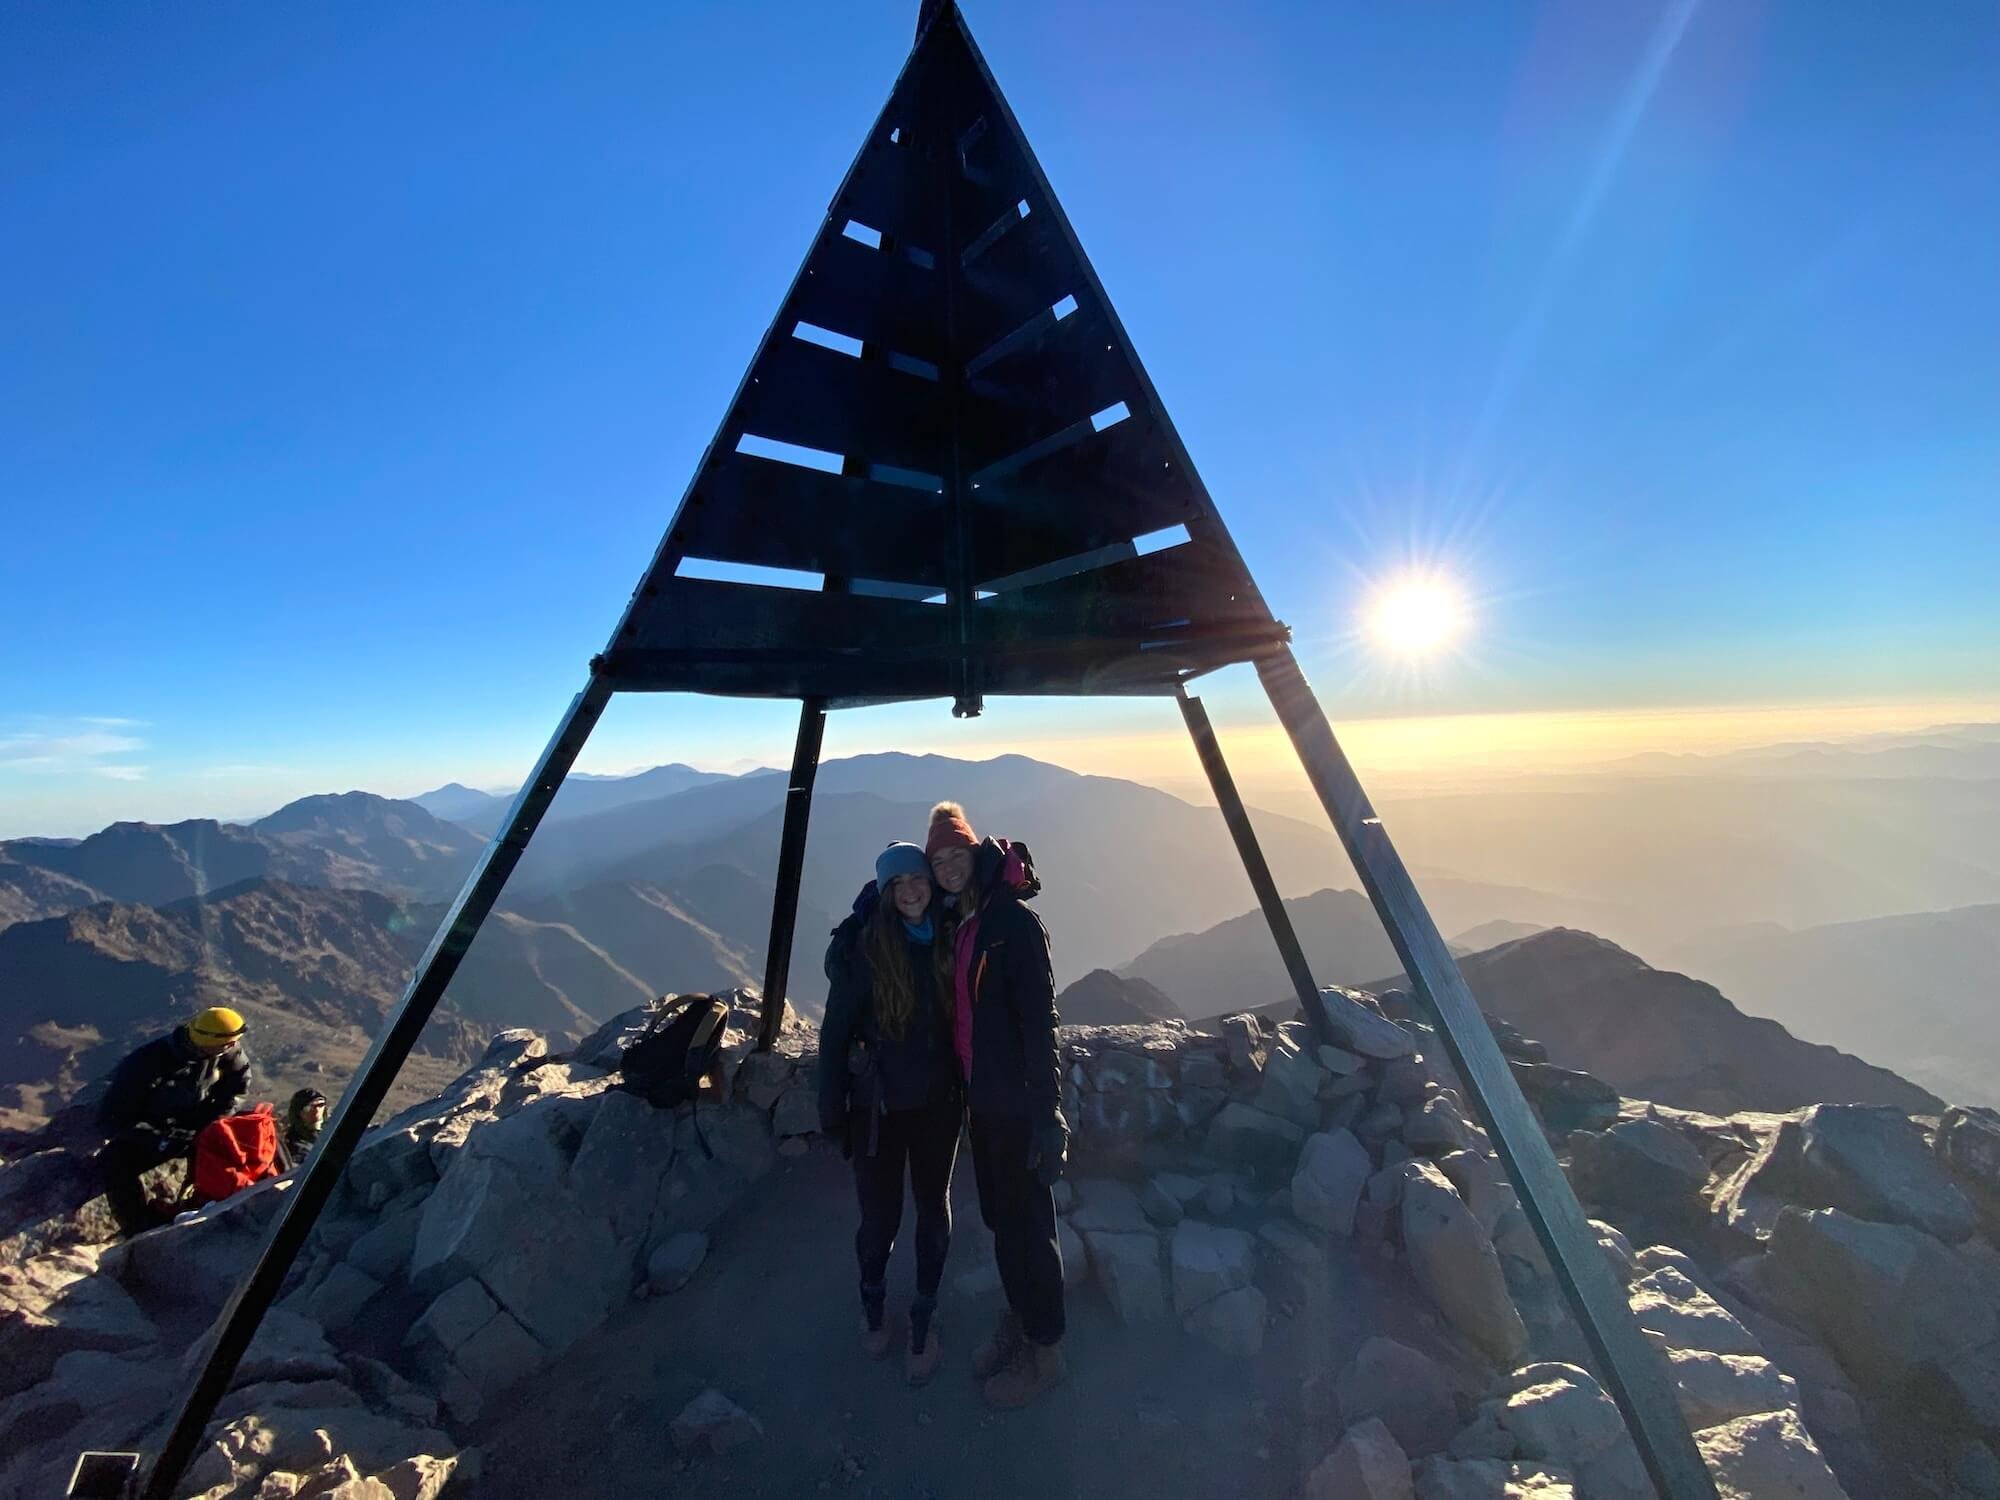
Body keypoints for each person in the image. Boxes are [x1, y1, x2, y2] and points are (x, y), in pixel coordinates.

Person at [926, 801, 1070, 1408]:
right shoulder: (966, 920)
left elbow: (1040, 1024)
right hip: (982, 1106)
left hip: (1016, 1108)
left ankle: (1045, 1350)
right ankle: (1020, 1320)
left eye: (956, 854)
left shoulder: (1011, 925)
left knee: (1029, 1229)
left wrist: (1048, 1112)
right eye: (939, 860)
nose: (949, 867)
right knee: (1001, 1225)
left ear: (974, 853)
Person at [818, 842, 966, 1385]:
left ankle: (922, 1319)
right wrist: (832, 1109)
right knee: (880, 1218)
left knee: (932, 1210)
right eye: (897, 884)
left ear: (931, 884)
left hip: (937, 1105)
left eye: (918, 880)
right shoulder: (865, 948)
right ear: (884, 893)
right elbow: (834, 1034)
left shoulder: (949, 938)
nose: (910, 891)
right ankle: (875, 1310)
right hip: (877, 1109)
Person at [96, 1006, 253, 1235]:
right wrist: (155, 1136)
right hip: (152, 1128)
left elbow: (236, 1089)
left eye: (233, 1043)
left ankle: (215, 1201)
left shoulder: (226, 1051)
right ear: (206, 1039)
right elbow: (113, 1117)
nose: (232, 1047)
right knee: (115, 1162)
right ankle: (139, 1226)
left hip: (196, 1123)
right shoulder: (147, 1062)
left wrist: (212, 1123)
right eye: (227, 1043)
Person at [278, 1088, 329, 1169]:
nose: (316, 1110)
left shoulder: (331, 1134)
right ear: (299, 1112)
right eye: (310, 1106)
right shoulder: (294, 1147)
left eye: (320, 1105)